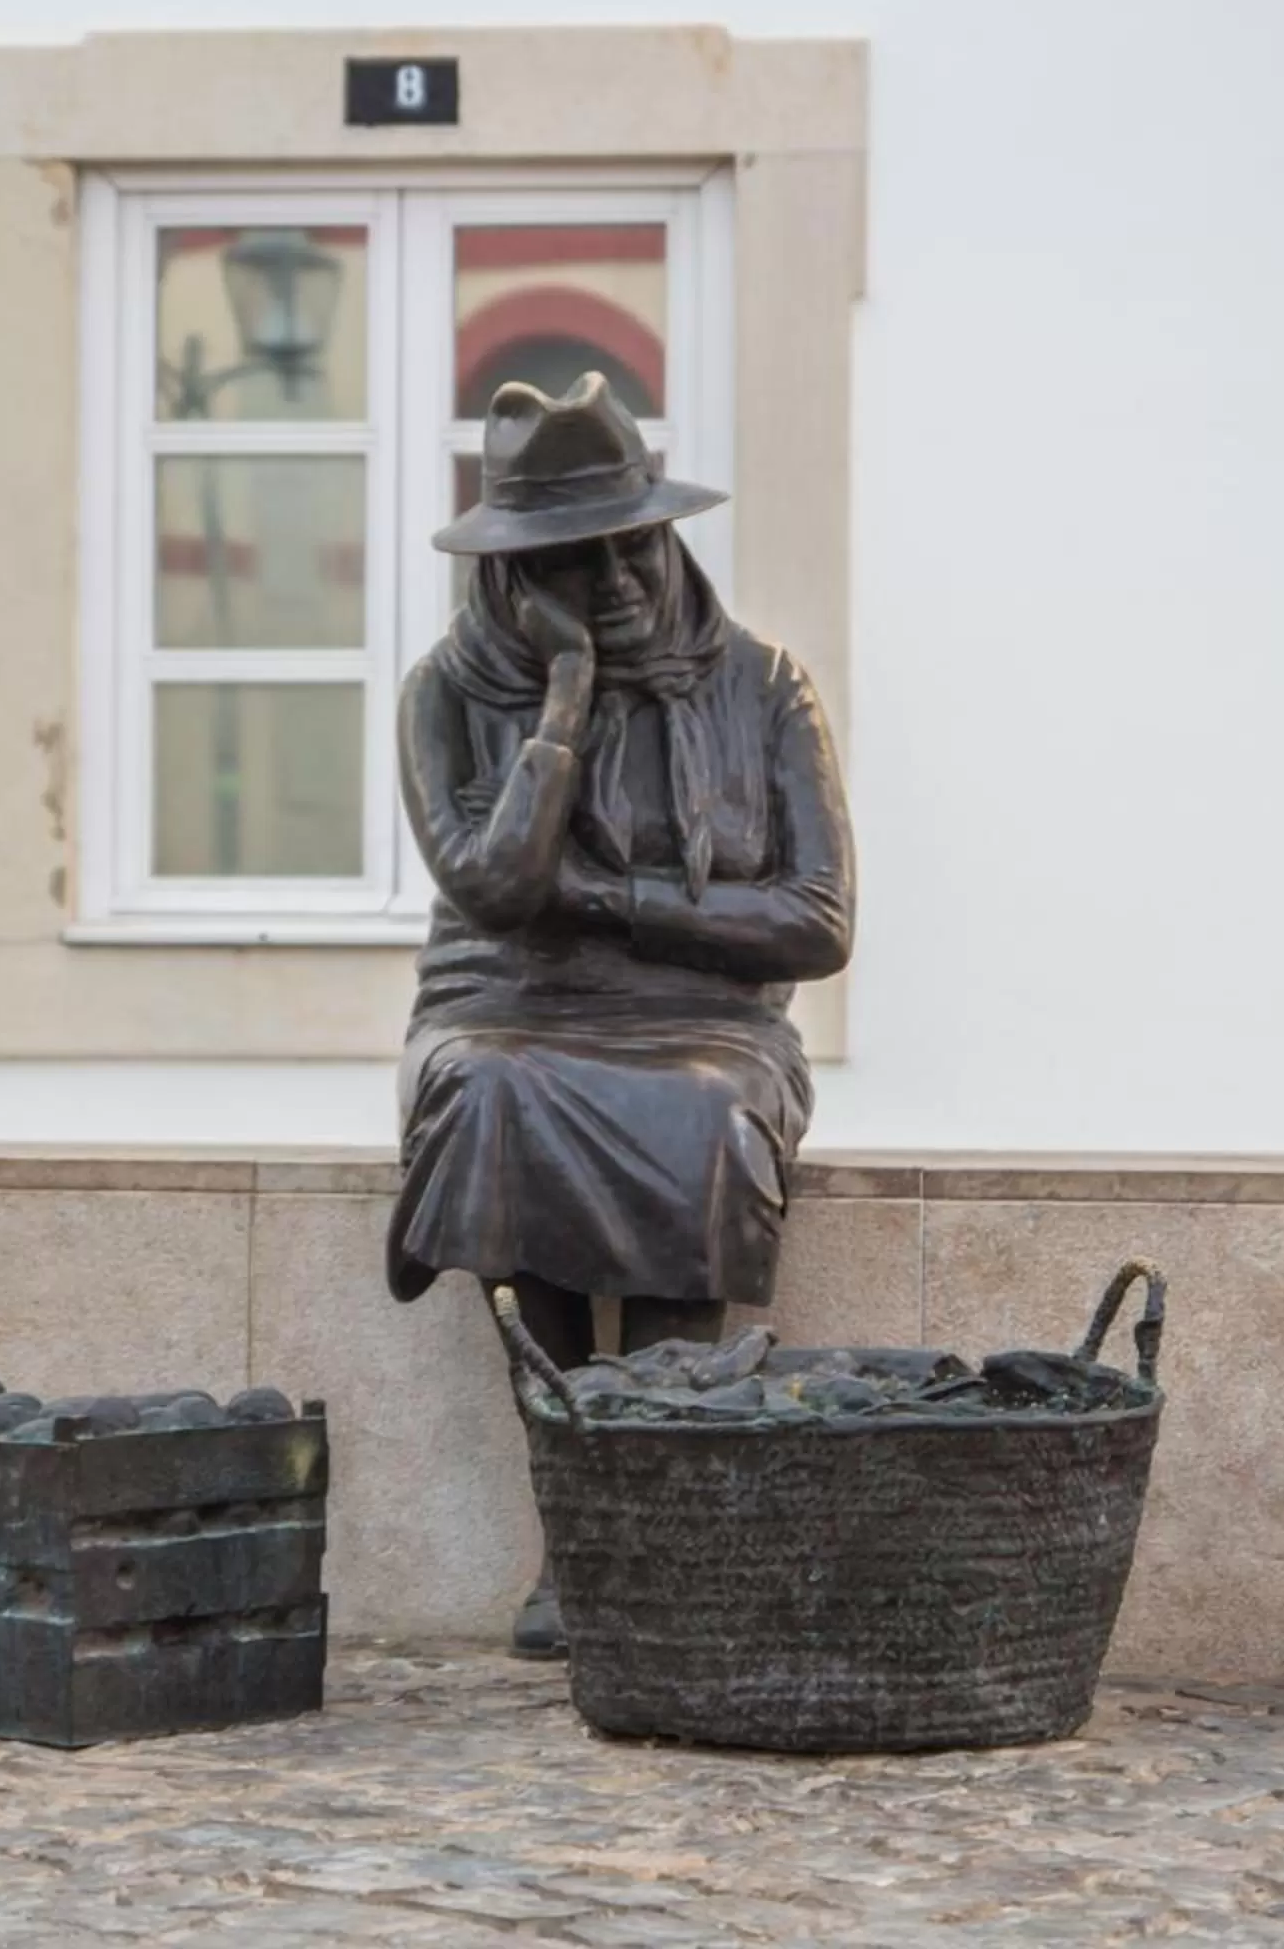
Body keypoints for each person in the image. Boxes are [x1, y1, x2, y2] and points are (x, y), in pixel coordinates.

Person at [384, 374, 856, 1655]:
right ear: (513, 578)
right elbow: (495, 888)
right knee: (489, 1090)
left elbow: (818, 921)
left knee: (702, 1109)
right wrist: (566, 695)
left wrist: (610, 899)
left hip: (707, 1022)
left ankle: (639, 1526)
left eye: (633, 542)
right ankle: (576, 1529)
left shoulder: (765, 686)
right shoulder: (445, 695)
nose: (619, 579)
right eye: (573, 562)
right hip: (503, 1004)